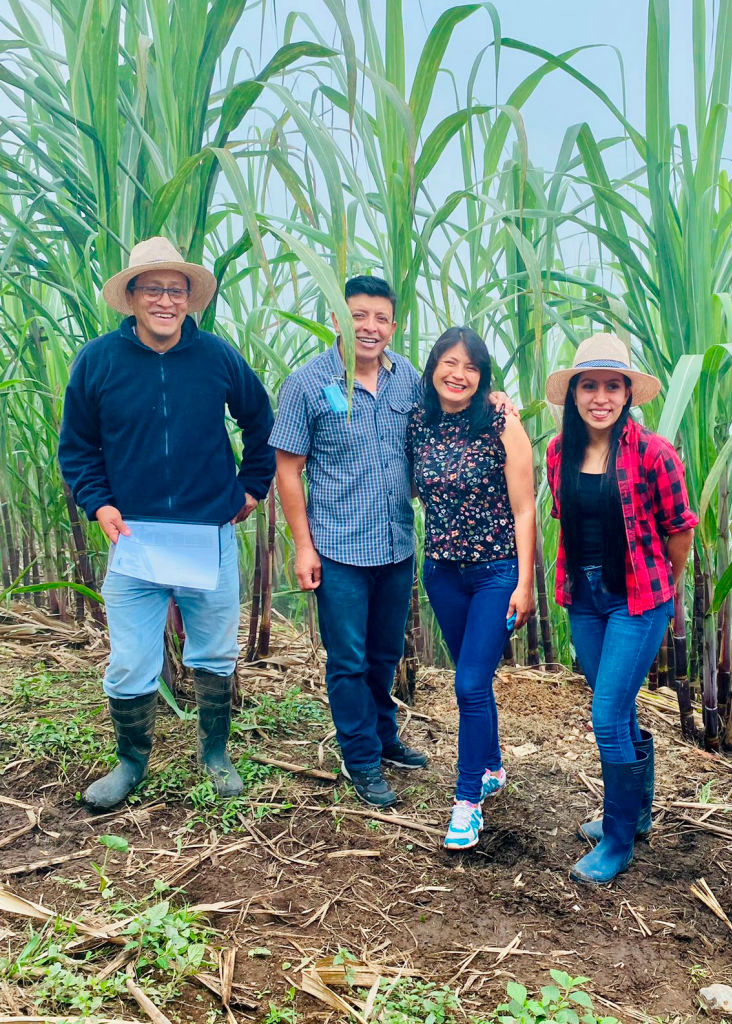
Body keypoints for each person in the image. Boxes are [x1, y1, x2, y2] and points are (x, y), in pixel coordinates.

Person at [270, 278, 516, 808]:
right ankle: (359, 756)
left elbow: (459, 403)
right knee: (348, 658)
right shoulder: (307, 385)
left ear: (394, 326)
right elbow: (287, 470)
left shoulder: (409, 379)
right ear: (337, 318)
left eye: (380, 318)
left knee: (383, 653)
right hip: (337, 548)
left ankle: (383, 736)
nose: (369, 327)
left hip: (396, 545)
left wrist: (496, 398)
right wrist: (302, 546)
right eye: (358, 315)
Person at [58, 237, 275, 808]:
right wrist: (99, 503)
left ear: (188, 298)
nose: (164, 300)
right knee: (130, 657)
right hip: (135, 539)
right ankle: (130, 762)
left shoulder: (217, 358)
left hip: (209, 534)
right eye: (152, 289)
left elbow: (260, 420)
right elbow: (76, 448)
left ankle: (214, 753)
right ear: (132, 296)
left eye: (174, 290)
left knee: (212, 651)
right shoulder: (98, 361)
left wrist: (252, 486)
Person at [545, 333, 697, 884]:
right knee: (620, 708)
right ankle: (637, 817)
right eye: (590, 386)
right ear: (575, 394)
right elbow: (566, 517)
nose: (601, 397)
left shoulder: (653, 452)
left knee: (607, 717)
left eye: (613, 385)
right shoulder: (559, 450)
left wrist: (664, 589)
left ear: (629, 392)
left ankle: (616, 841)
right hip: (584, 599)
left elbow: (679, 530)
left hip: (638, 598)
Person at [407, 327, 536, 850]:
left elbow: (526, 509)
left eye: (472, 367)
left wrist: (525, 583)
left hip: (495, 571)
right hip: (442, 573)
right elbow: (414, 488)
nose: (458, 375)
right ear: (434, 366)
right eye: (449, 363)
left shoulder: (502, 421)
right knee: (473, 683)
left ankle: (466, 801)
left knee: (467, 685)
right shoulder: (418, 421)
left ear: (483, 377)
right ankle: (492, 767)